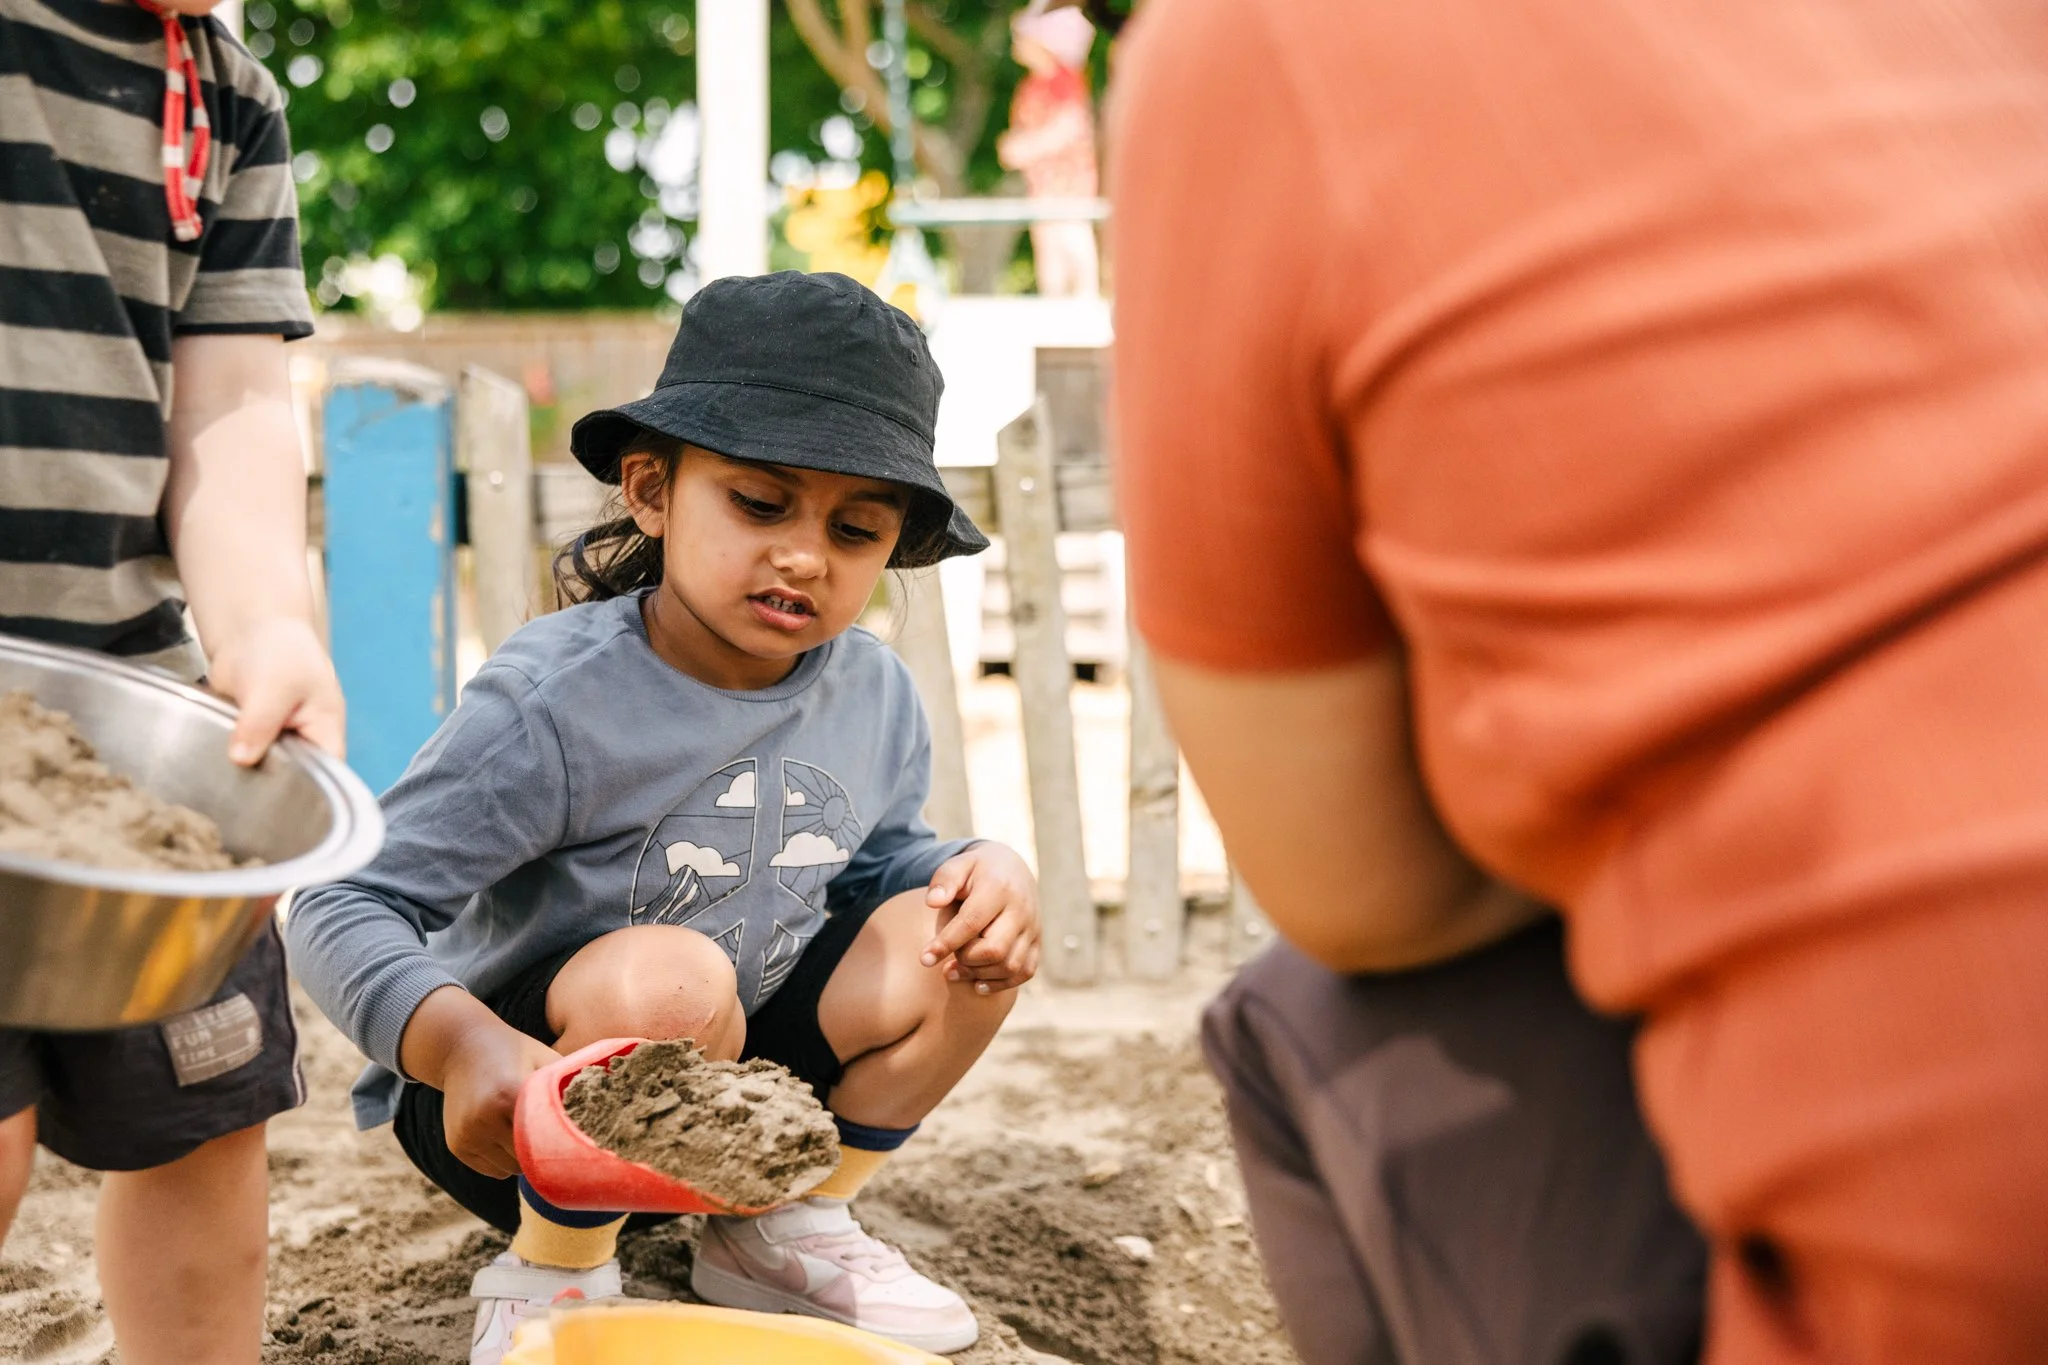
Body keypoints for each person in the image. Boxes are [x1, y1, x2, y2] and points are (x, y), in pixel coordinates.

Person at [1110, 0, 2048, 1362]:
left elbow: (1351, 883)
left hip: (1981, 1228)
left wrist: (1616, 786)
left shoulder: (1258, 49)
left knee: (1298, 1006)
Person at [287, 271, 1041, 1365]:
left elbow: (875, 864)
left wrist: (981, 867)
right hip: (513, 1101)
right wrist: (461, 1050)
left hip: (731, 1095)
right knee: (670, 980)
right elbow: (341, 897)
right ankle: (553, 1268)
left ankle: (775, 1225)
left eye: (855, 528)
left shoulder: (870, 691)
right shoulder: (558, 699)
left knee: (957, 940)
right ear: (650, 490)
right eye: (760, 502)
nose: (803, 555)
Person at [0, 0, 341, 1360]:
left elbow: (234, 405)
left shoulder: (222, 90)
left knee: (203, 1130)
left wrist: (263, 618)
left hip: (126, 731)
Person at [998, 0, 1102, 297]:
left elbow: (1069, 127)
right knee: (1047, 243)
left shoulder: (1064, 82)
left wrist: (1027, 147)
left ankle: (1085, 298)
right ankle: (1054, 303)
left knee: (1072, 233)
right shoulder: (1030, 87)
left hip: (1069, 182)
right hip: (1042, 183)